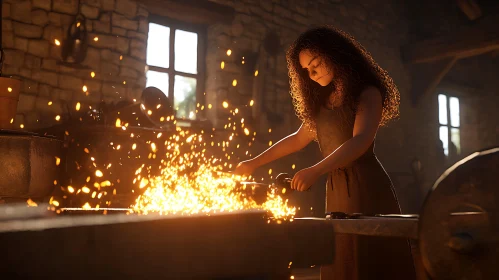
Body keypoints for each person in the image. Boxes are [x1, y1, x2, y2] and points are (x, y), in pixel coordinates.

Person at [234, 26, 416, 280]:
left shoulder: (367, 93)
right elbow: (298, 140)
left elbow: (361, 140)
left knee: (369, 259)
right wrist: (254, 162)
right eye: (306, 71)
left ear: (335, 54)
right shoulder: (322, 102)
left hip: (366, 186)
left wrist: (317, 169)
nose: (312, 74)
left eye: (316, 64)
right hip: (337, 189)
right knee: (341, 258)